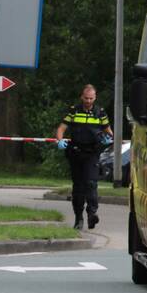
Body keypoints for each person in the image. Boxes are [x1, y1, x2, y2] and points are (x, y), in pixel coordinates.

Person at [56, 84, 113, 230]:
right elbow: (62, 128)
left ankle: (92, 214)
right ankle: (78, 218)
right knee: (78, 188)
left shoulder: (100, 112)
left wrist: (110, 139)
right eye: (86, 98)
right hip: (76, 152)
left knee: (91, 184)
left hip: (92, 153)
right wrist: (60, 140)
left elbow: (107, 129)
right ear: (82, 97)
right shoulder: (74, 110)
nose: (88, 101)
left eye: (91, 98)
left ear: (95, 98)